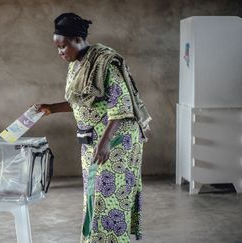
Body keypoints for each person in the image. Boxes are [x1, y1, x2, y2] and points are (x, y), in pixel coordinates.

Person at [36, 13, 151, 242]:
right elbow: (81, 101)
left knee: (109, 198)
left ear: (78, 39)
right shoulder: (76, 64)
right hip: (93, 141)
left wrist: (104, 142)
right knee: (94, 196)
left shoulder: (105, 63)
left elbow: (121, 107)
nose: (60, 52)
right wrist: (51, 108)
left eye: (63, 46)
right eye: (57, 47)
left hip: (116, 141)